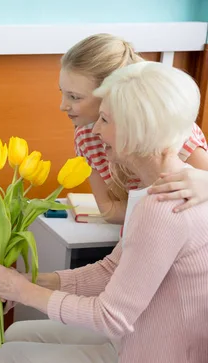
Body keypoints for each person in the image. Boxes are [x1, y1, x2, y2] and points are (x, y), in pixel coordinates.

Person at [0, 62, 208, 363]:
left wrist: (24, 292)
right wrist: (27, 283)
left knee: (5, 361)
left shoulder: (162, 209)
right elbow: (111, 270)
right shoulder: (170, 188)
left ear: (134, 129)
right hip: (142, 338)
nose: (95, 131)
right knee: (17, 333)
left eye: (105, 120)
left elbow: (110, 317)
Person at [59, 33, 208, 223]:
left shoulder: (172, 133)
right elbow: (110, 211)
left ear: (113, 91)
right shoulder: (86, 136)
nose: (62, 106)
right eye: (62, 93)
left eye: (74, 97)